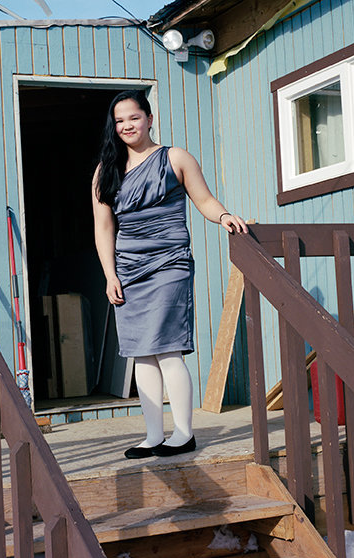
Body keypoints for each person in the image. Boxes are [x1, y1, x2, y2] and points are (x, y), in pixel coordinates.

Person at [92, 90, 247, 459]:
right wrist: (110, 274)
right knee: (141, 354)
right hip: (128, 269)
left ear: (148, 118)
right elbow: (102, 228)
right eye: (120, 120)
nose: (128, 125)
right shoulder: (105, 169)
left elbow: (205, 200)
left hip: (169, 263)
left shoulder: (175, 158)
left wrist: (224, 216)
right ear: (114, 127)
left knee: (166, 348)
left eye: (134, 117)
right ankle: (152, 436)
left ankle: (183, 433)